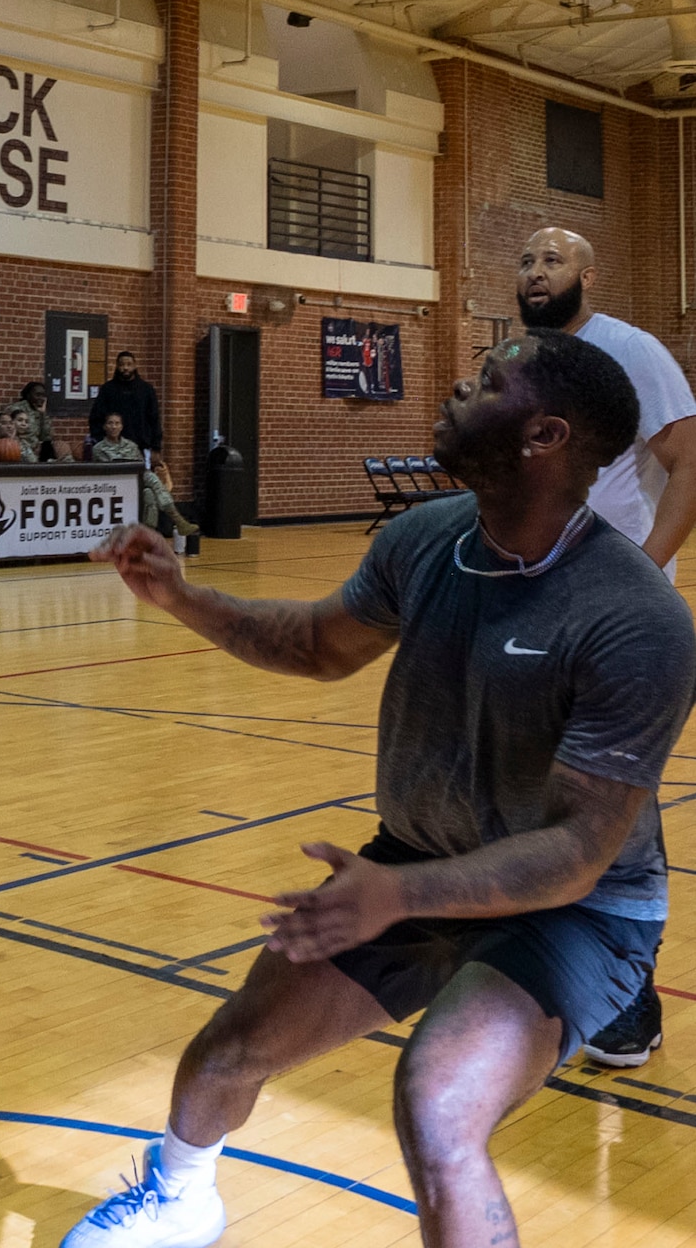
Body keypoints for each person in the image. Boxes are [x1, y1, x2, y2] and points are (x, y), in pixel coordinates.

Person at [62, 329, 695, 1248]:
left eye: (485, 382)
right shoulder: (427, 538)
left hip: (578, 911)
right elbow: (319, 646)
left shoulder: (635, 616)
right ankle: (179, 1198)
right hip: (413, 865)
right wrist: (183, 598)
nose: (456, 385)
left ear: (545, 436)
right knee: (224, 1055)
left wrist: (396, 895)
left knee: (437, 1101)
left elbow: (575, 852)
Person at [516, 223, 696, 1067]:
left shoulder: (633, 351)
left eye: (553, 259)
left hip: (623, 624)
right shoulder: (523, 363)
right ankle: (558, 977)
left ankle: (632, 1004)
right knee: (541, 799)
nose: (536, 271)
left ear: (589, 274)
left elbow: (687, 459)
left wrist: (646, 571)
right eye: (526, 260)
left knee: (616, 810)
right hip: (542, 612)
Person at [88, 350, 161, 460]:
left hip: (141, 445)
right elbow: (96, 417)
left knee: (142, 476)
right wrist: (100, 440)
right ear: (117, 366)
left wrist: (156, 447)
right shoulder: (108, 389)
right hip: (111, 449)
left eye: (129, 364)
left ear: (135, 366)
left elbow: (154, 419)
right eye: (122, 364)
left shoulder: (146, 390)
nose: (125, 368)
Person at [2, 382, 64, 463]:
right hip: (19, 447)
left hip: (37, 448)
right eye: (37, 395)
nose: (41, 398)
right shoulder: (16, 408)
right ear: (28, 395)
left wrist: (43, 415)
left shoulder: (40, 411)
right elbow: (9, 430)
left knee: (63, 451)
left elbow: (46, 437)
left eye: (43, 396)